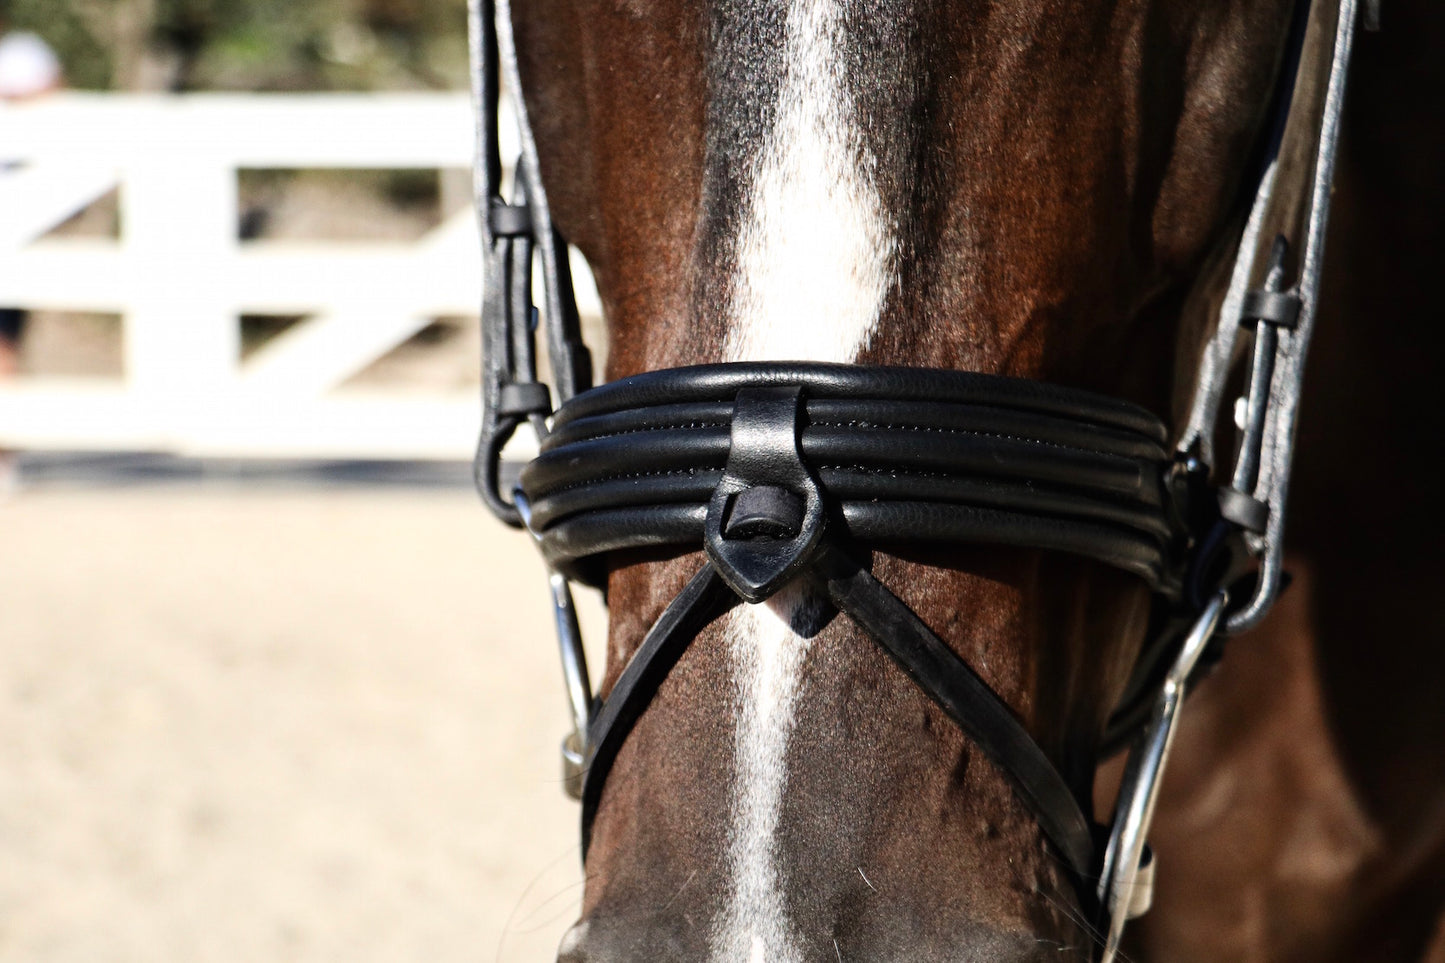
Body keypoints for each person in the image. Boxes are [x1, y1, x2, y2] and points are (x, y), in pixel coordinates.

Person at [0, 26, 63, 491]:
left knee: (4, 349)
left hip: (14, 230)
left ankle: (5, 456)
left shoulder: (21, 48)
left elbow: (54, 94)